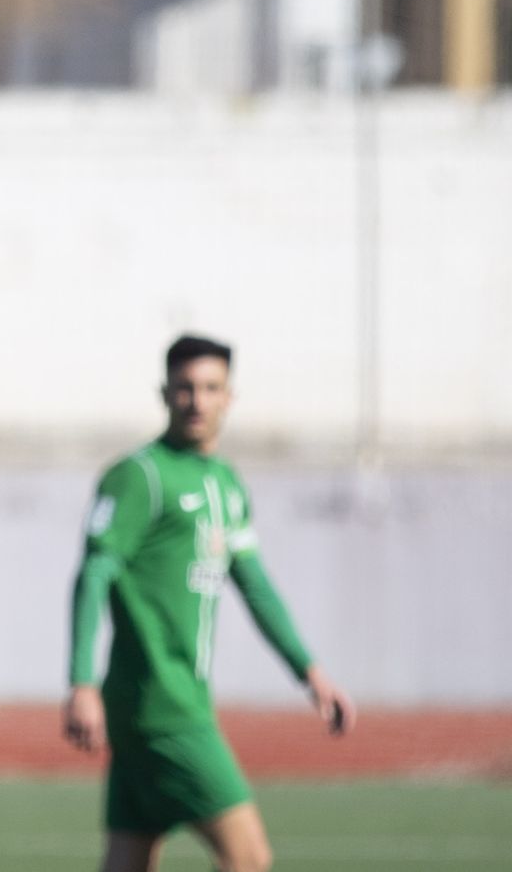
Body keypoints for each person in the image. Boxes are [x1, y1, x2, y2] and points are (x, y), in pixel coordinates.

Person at [62, 334, 355, 872]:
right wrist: (81, 683)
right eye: (185, 388)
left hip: (166, 705)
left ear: (229, 396)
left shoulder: (226, 482)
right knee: (250, 858)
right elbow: (94, 572)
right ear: (164, 393)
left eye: (211, 388)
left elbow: (254, 584)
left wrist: (309, 672)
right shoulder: (140, 476)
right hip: (164, 706)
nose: (197, 401)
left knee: (128, 860)